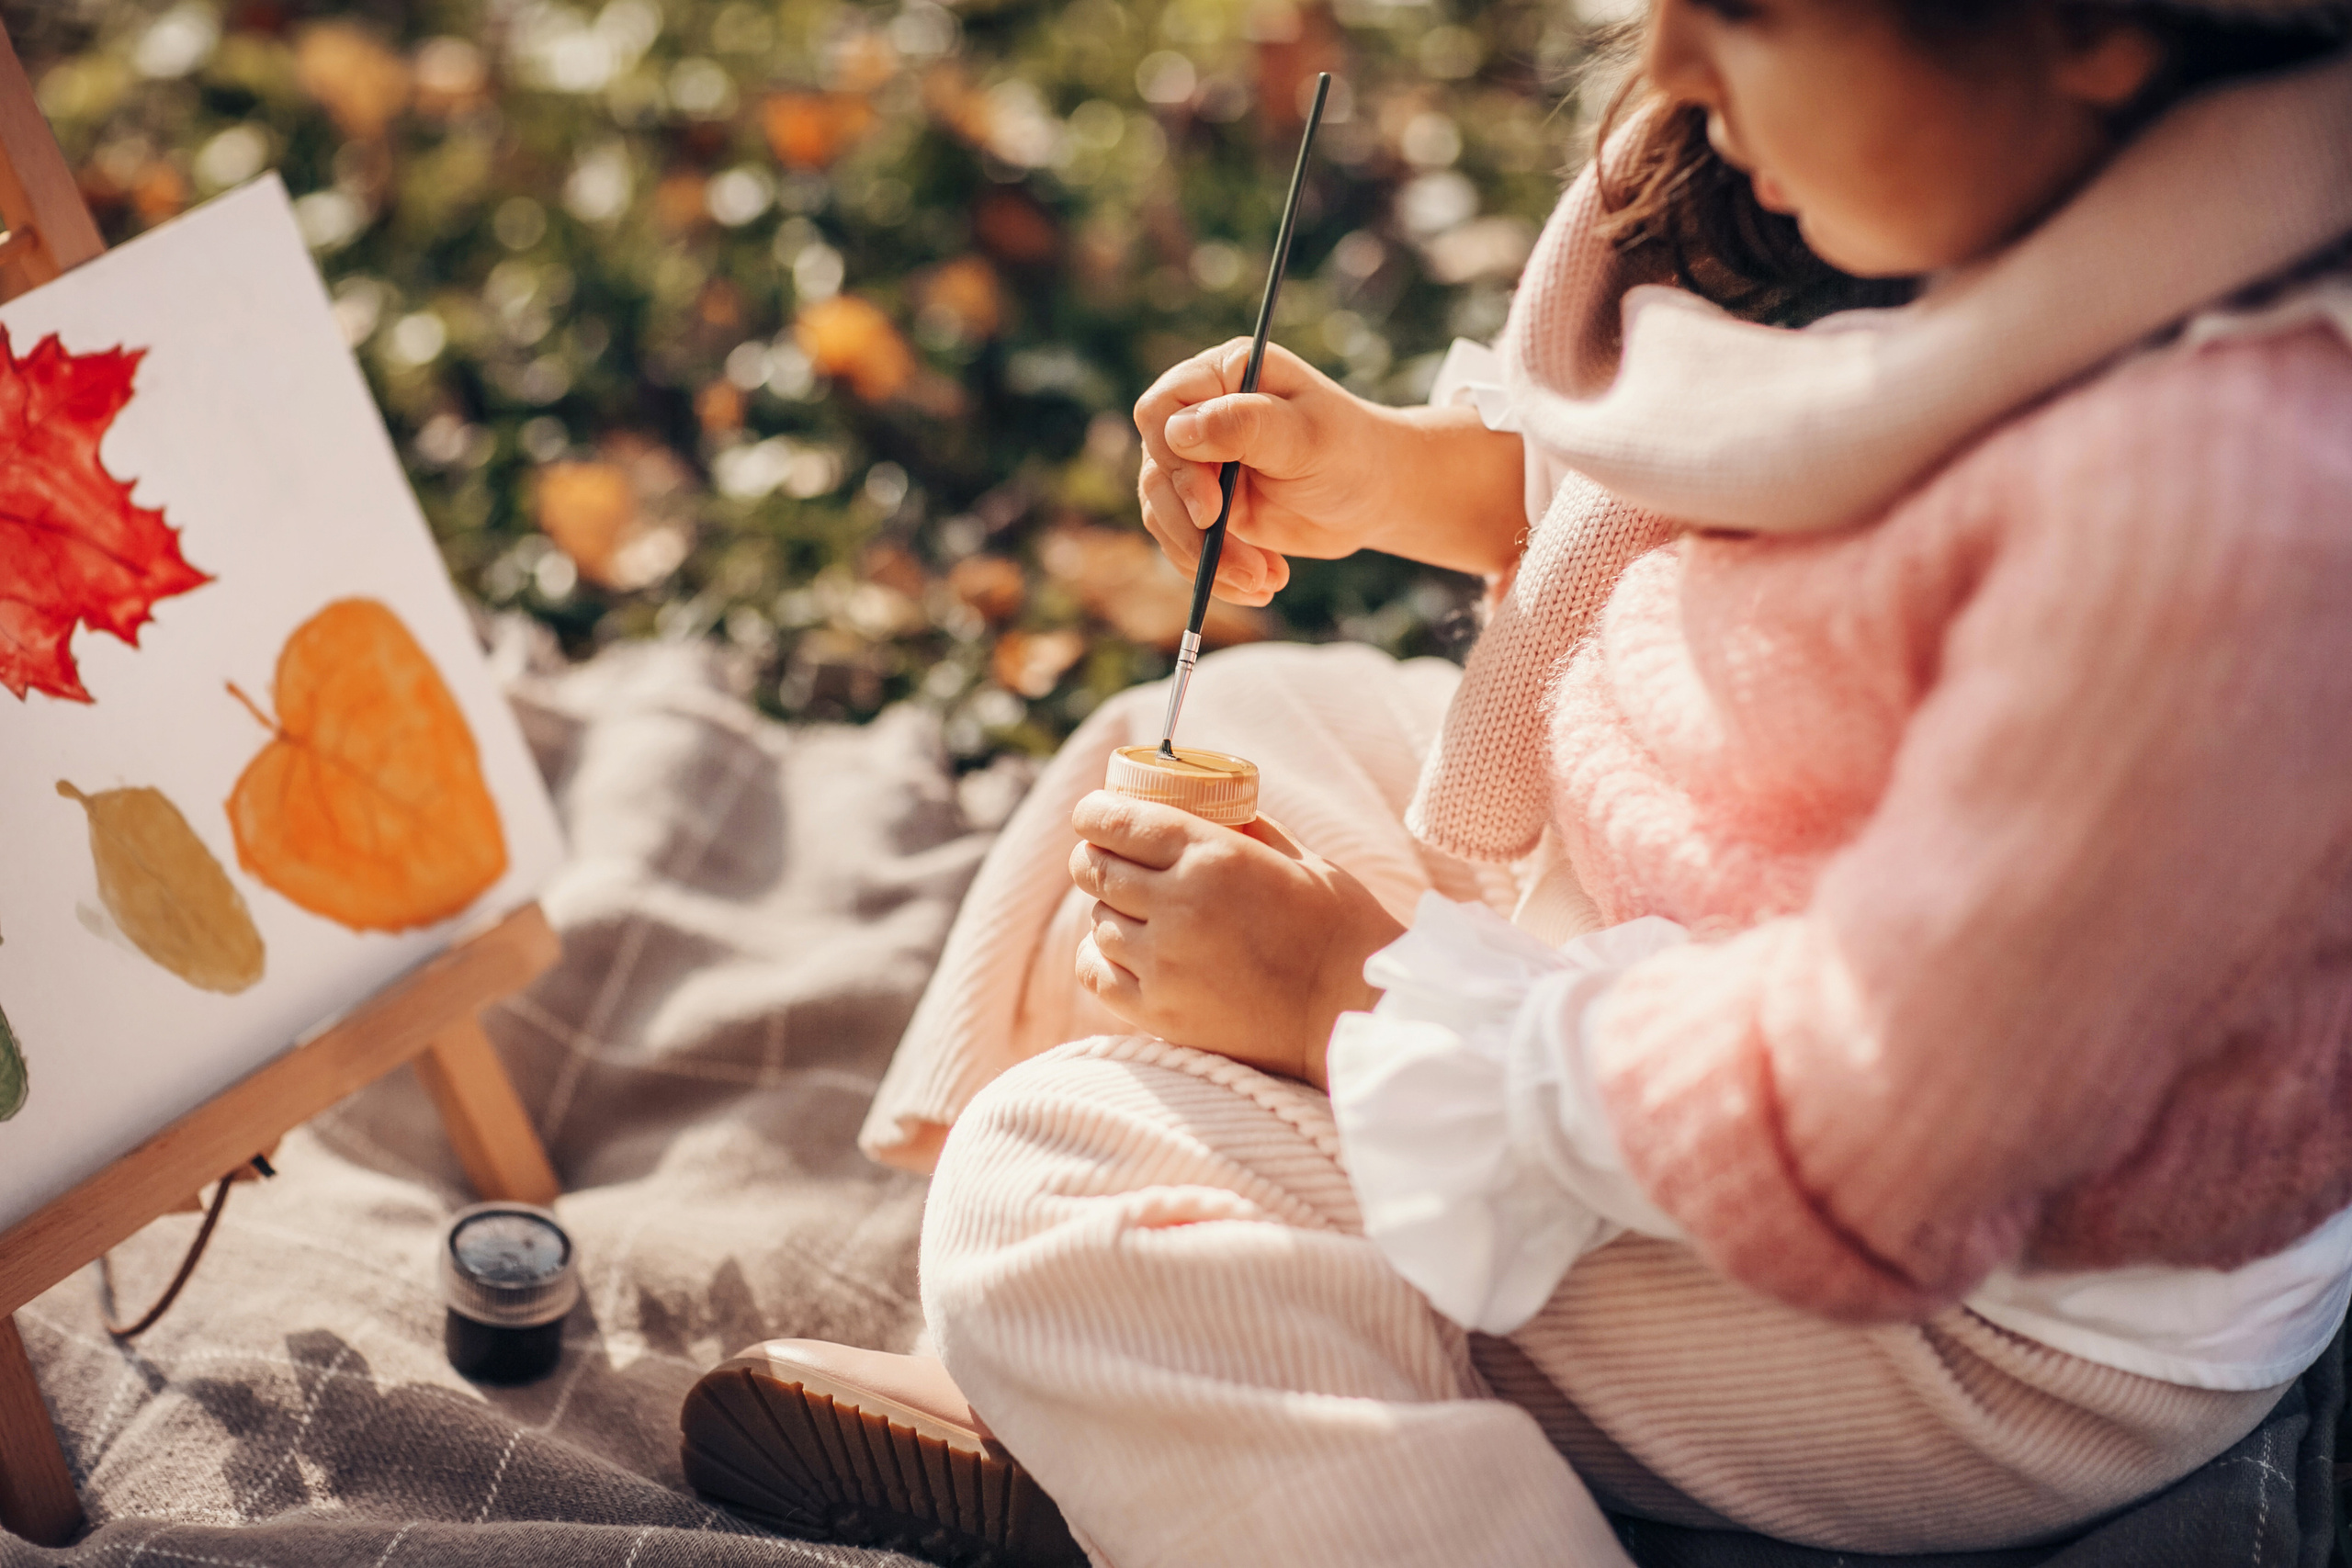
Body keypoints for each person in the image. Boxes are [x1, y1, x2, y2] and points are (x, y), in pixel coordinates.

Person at [679, 0, 2352, 1561]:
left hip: (1967, 1308)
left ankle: (1202, 1405)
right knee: (1207, 732)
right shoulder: (1874, 197)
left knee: (1058, 1179)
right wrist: (1384, 474)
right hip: (1677, 922)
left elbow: (1892, 1120)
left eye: (1748, 11)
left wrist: (1357, 998)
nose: (1675, 61)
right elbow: (1666, 524)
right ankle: (1134, 1408)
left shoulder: (2211, 517)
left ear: (2094, 25)